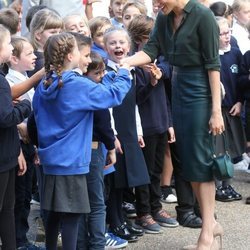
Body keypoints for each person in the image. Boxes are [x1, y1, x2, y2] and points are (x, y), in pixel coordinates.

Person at [121, 0, 225, 249]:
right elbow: (151, 50)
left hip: (200, 92)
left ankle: (208, 232)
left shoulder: (203, 16)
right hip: (179, 91)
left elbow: (213, 64)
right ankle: (211, 226)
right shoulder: (164, 18)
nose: (155, 4)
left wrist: (216, 111)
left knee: (201, 162)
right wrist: (125, 63)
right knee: (189, 164)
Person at [32, 32, 132, 250]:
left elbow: (35, 119)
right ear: (70, 55)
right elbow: (113, 95)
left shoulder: (45, 83)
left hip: (51, 159)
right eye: (79, 51)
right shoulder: (75, 84)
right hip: (71, 161)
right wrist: (124, 72)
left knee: (54, 215)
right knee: (72, 216)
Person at [127, 14, 179, 233]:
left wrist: (169, 122)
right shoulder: (134, 64)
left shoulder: (157, 60)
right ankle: (144, 212)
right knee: (145, 173)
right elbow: (137, 98)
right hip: (144, 127)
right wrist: (152, 82)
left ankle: (156, 207)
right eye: (151, 38)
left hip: (159, 123)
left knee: (156, 171)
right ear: (140, 39)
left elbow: (164, 98)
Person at [75, 49, 128, 250]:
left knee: (80, 203)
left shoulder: (73, 87)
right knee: (97, 201)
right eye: (97, 73)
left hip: (78, 149)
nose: (102, 76)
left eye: (103, 71)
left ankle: (80, 244)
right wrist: (110, 147)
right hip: (94, 149)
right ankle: (97, 243)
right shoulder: (92, 91)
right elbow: (104, 123)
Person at [103, 27, 149, 242]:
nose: (118, 46)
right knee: (115, 179)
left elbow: (134, 105)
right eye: (112, 43)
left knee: (127, 178)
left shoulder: (131, 71)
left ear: (129, 47)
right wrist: (112, 135)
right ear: (105, 47)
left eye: (122, 42)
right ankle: (115, 222)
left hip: (130, 129)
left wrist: (138, 131)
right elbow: (107, 107)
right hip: (116, 131)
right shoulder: (104, 73)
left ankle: (122, 219)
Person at [5, 36, 42, 250]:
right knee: (19, 197)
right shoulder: (12, 81)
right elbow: (13, 117)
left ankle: (21, 238)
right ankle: (18, 240)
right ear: (14, 58)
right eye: (29, 54)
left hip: (28, 145)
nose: (35, 57)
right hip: (17, 145)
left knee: (26, 194)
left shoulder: (24, 77)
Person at [0, 24, 31, 250]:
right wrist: (25, 107)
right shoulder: (1, 81)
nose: (11, 46)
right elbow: (5, 118)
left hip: (8, 154)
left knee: (7, 210)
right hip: (2, 159)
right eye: (8, 43)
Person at [214, 17, 245, 202]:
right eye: (222, 33)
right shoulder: (211, 56)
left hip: (232, 109)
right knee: (218, 149)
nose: (227, 36)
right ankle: (217, 186)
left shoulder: (235, 53)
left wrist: (240, 102)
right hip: (217, 111)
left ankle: (227, 184)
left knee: (231, 149)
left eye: (228, 32)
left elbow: (241, 82)